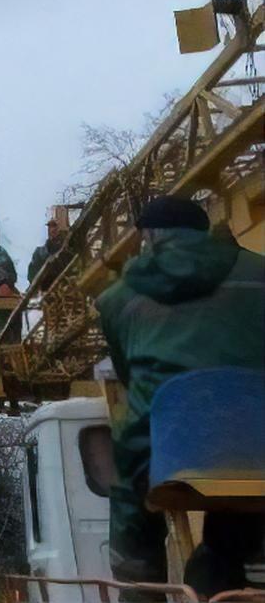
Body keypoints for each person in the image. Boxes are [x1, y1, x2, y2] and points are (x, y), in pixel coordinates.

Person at [95, 196, 265, 599]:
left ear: (149, 236)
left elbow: (128, 374)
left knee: (131, 501)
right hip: (257, 442)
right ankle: (224, 575)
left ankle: (141, 590)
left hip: (171, 447)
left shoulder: (117, 299)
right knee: (238, 512)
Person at [27, 217, 66, 286]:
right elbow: (32, 273)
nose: (52, 229)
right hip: (45, 286)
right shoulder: (39, 252)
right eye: (50, 227)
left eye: (54, 226)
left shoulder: (66, 246)